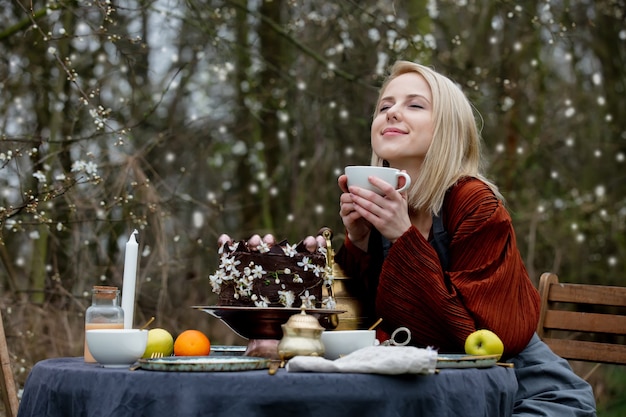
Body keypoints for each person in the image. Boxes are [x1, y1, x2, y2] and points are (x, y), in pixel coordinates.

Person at [333, 60, 596, 416]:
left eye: (414, 104)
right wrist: (358, 243)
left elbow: (485, 341)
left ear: (448, 128)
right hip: (435, 395)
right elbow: (359, 328)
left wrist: (403, 238)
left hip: (523, 396)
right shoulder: (383, 211)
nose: (392, 113)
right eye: (384, 106)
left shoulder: (474, 204)